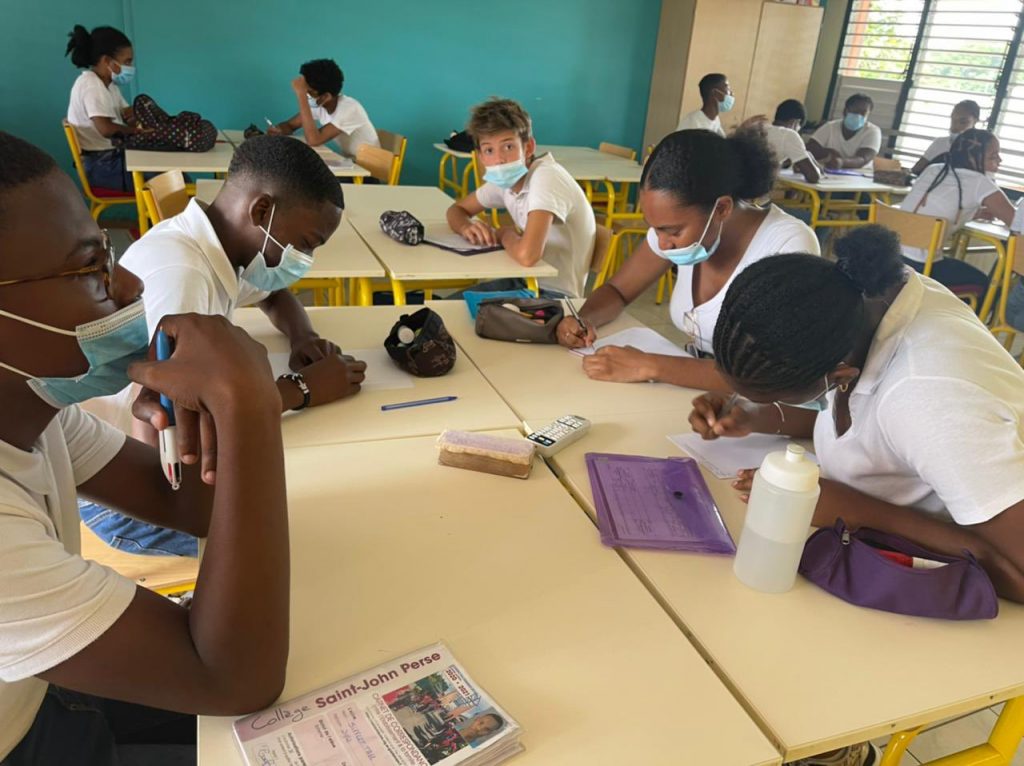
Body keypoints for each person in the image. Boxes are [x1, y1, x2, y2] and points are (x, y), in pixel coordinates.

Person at [0, 131, 292, 765]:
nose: (131, 287)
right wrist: (250, 408)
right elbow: (237, 681)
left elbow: (192, 507)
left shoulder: (35, 416)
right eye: (89, 268)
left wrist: (205, 415)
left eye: (108, 253)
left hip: (41, 689)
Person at [689, 225, 1024, 605]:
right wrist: (757, 416)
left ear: (839, 377)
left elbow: (1018, 569)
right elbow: (873, 423)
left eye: (780, 396)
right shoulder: (860, 305)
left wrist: (852, 510)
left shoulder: (928, 396)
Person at [81, 134, 367, 557]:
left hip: (146, 467)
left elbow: (273, 293)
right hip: (130, 494)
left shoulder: (220, 245)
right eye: (306, 244)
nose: (305, 259)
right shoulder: (182, 275)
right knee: (315, 537)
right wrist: (302, 389)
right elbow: (179, 425)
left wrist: (302, 336)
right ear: (262, 210)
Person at [556, 128, 818, 390]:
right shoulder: (682, 229)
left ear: (722, 208)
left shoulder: (786, 245)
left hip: (756, 403)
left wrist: (650, 365)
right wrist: (584, 320)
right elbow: (618, 290)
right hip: (697, 391)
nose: (661, 243)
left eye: (672, 231)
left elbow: (770, 373)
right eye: (654, 228)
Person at [445, 97, 596, 299]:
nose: (499, 159)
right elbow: (456, 210)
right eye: (489, 150)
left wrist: (504, 233)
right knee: (442, 308)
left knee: (448, 312)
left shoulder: (546, 177)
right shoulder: (505, 180)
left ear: (528, 148)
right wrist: (466, 227)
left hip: (554, 295)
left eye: (508, 147)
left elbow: (528, 256)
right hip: (525, 281)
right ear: (480, 157)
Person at [899, 129, 1014, 293]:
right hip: (921, 268)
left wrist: (975, 213)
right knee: (984, 284)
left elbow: (936, 205)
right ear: (973, 158)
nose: (1000, 160)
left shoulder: (933, 169)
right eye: (993, 156)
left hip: (891, 257)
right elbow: (1016, 222)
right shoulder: (980, 182)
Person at [64, 25, 148, 192]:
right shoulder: (92, 86)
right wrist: (138, 132)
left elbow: (127, 115)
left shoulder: (109, 86)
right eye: (127, 62)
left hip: (109, 159)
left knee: (173, 175)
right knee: (173, 178)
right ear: (106, 61)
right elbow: (106, 129)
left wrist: (137, 115)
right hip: (102, 166)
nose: (130, 67)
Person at [268, 58, 380, 159]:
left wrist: (301, 95)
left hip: (369, 169)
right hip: (351, 163)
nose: (307, 95)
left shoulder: (350, 109)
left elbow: (314, 140)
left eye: (309, 92)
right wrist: (279, 130)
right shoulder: (320, 104)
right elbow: (290, 125)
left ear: (325, 96)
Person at [807, 93, 882, 170]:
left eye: (863, 113)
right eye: (855, 111)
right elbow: (809, 148)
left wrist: (841, 162)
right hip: (828, 172)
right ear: (845, 111)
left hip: (859, 174)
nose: (858, 116)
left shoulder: (872, 131)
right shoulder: (830, 127)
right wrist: (827, 153)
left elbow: (863, 159)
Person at [911, 100, 981, 176]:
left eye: (962, 122)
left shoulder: (981, 151)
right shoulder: (939, 143)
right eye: (953, 120)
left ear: (975, 121)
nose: (955, 126)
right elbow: (916, 170)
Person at [763, 99, 820, 183]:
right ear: (795, 122)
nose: (798, 130)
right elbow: (813, 176)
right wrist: (816, 166)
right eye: (799, 127)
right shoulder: (789, 134)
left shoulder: (760, 128)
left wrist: (791, 160)